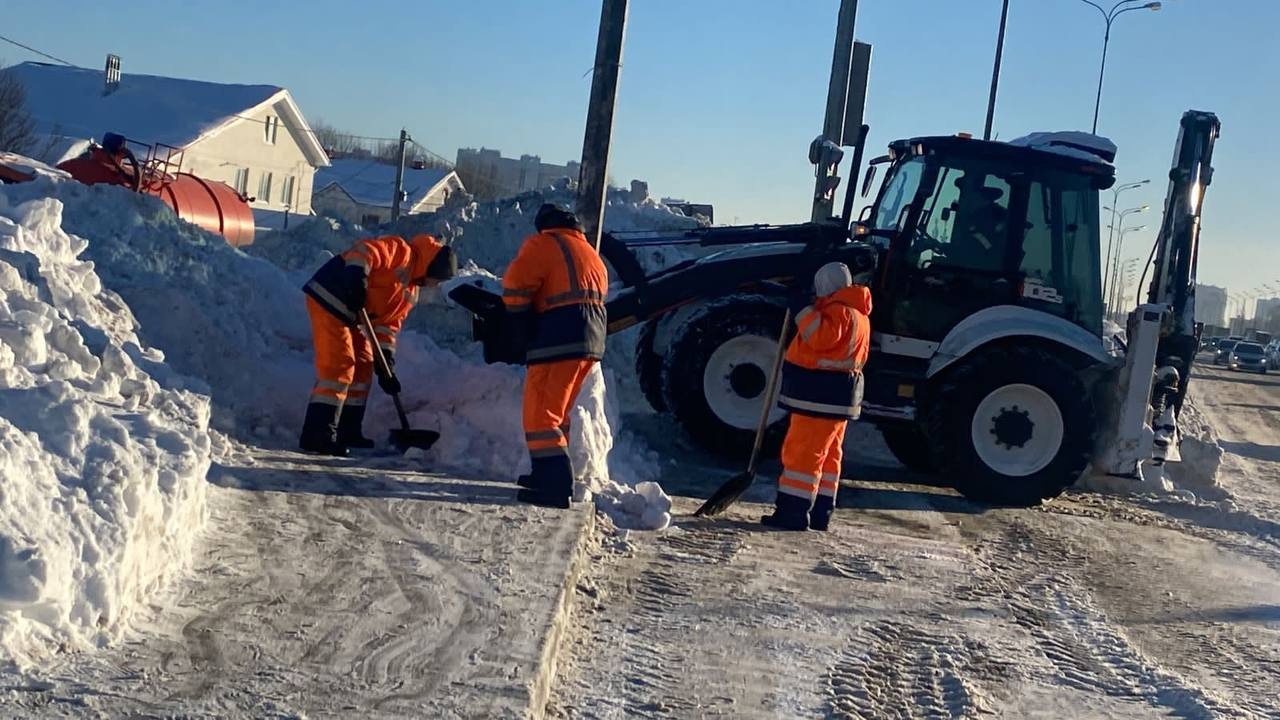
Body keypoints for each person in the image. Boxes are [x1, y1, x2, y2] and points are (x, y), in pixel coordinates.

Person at [299, 233, 457, 456]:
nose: (436, 285)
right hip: (330, 296)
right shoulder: (401, 251)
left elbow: (388, 326)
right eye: (439, 279)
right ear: (432, 268)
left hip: (352, 313)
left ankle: (348, 431)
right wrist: (357, 278)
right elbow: (364, 252)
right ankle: (317, 435)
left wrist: (386, 364)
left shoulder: (411, 291)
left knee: (364, 365)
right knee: (340, 364)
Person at [502, 204, 609, 508]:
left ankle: (555, 486)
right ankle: (545, 475)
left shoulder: (544, 244)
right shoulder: (589, 253)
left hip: (557, 338)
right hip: (590, 342)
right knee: (558, 414)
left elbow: (515, 286)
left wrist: (517, 322)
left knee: (540, 414)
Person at [762, 262, 872, 531]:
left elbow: (820, 338)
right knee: (829, 456)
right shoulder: (859, 315)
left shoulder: (840, 313)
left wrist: (801, 309)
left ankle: (793, 512)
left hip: (818, 398)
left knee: (803, 454)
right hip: (838, 399)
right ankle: (821, 510)